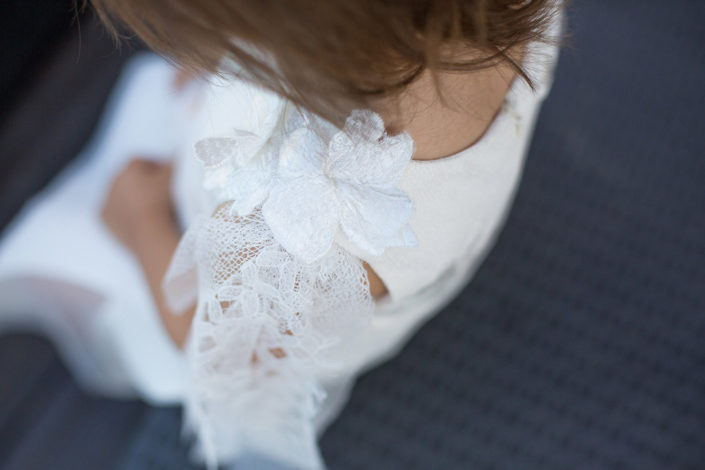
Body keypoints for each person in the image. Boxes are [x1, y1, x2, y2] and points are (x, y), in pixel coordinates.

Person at [0, 1, 564, 468]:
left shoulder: (309, 230)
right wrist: (240, 54)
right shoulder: (486, 19)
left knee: (65, 244)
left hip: (243, 299)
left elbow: (224, 352)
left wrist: (140, 219)